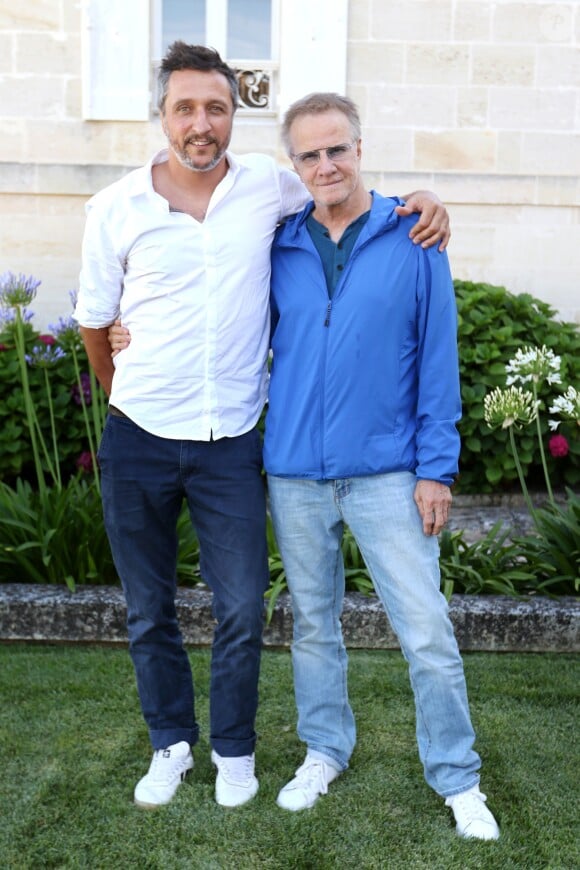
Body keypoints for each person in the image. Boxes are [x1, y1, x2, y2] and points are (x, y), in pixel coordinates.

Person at [76, 42, 449, 812]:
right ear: (163, 115)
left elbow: (350, 203)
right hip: (144, 437)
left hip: (236, 443)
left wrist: (425, 199)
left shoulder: (271, 192)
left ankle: (236, 750)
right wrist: (123, 388)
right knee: (151, 609)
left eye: (216, 107)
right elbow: (93, 321)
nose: (201, 123)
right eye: (186, 107)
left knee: (245, 605)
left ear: (233, 116)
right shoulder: (115, 208)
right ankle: (172, 743)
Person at [261, 93, 500, 841]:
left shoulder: (414, 237)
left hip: (389, 473)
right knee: (313, 626)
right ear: (294, 163)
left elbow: (437, 360)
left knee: (425, 627)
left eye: (337, 149)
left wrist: (437, 469)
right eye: (309, 154)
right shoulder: (277, 243)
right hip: (295, 471)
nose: (324, 165)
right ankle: (324, 750)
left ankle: (457, 777)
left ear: (360, 149)